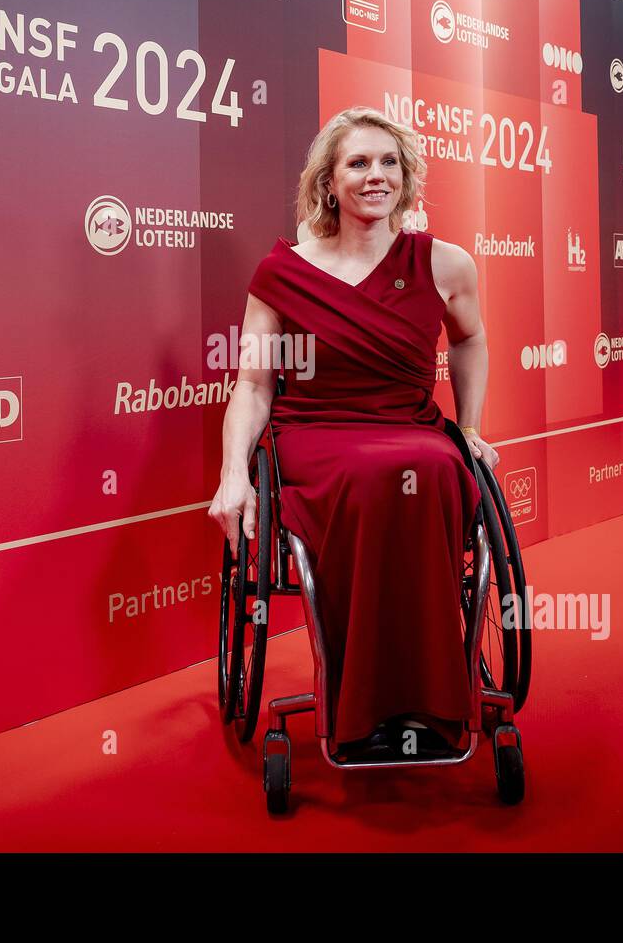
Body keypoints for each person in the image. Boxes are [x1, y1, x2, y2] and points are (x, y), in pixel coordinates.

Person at [208, 106, 498, 762]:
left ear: (407, 176)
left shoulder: (445, 264)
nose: (376, 175)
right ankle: (363, 698)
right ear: (328, 184)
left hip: (410, 426)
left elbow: (472, 338)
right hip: (315, 432)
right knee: (369, 479)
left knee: (433, 468)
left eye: (389, 162)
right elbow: (253, 385)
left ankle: (424, 698)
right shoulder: (283, 273)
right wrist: (233, 474)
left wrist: (472, 424)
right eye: (358, 163)